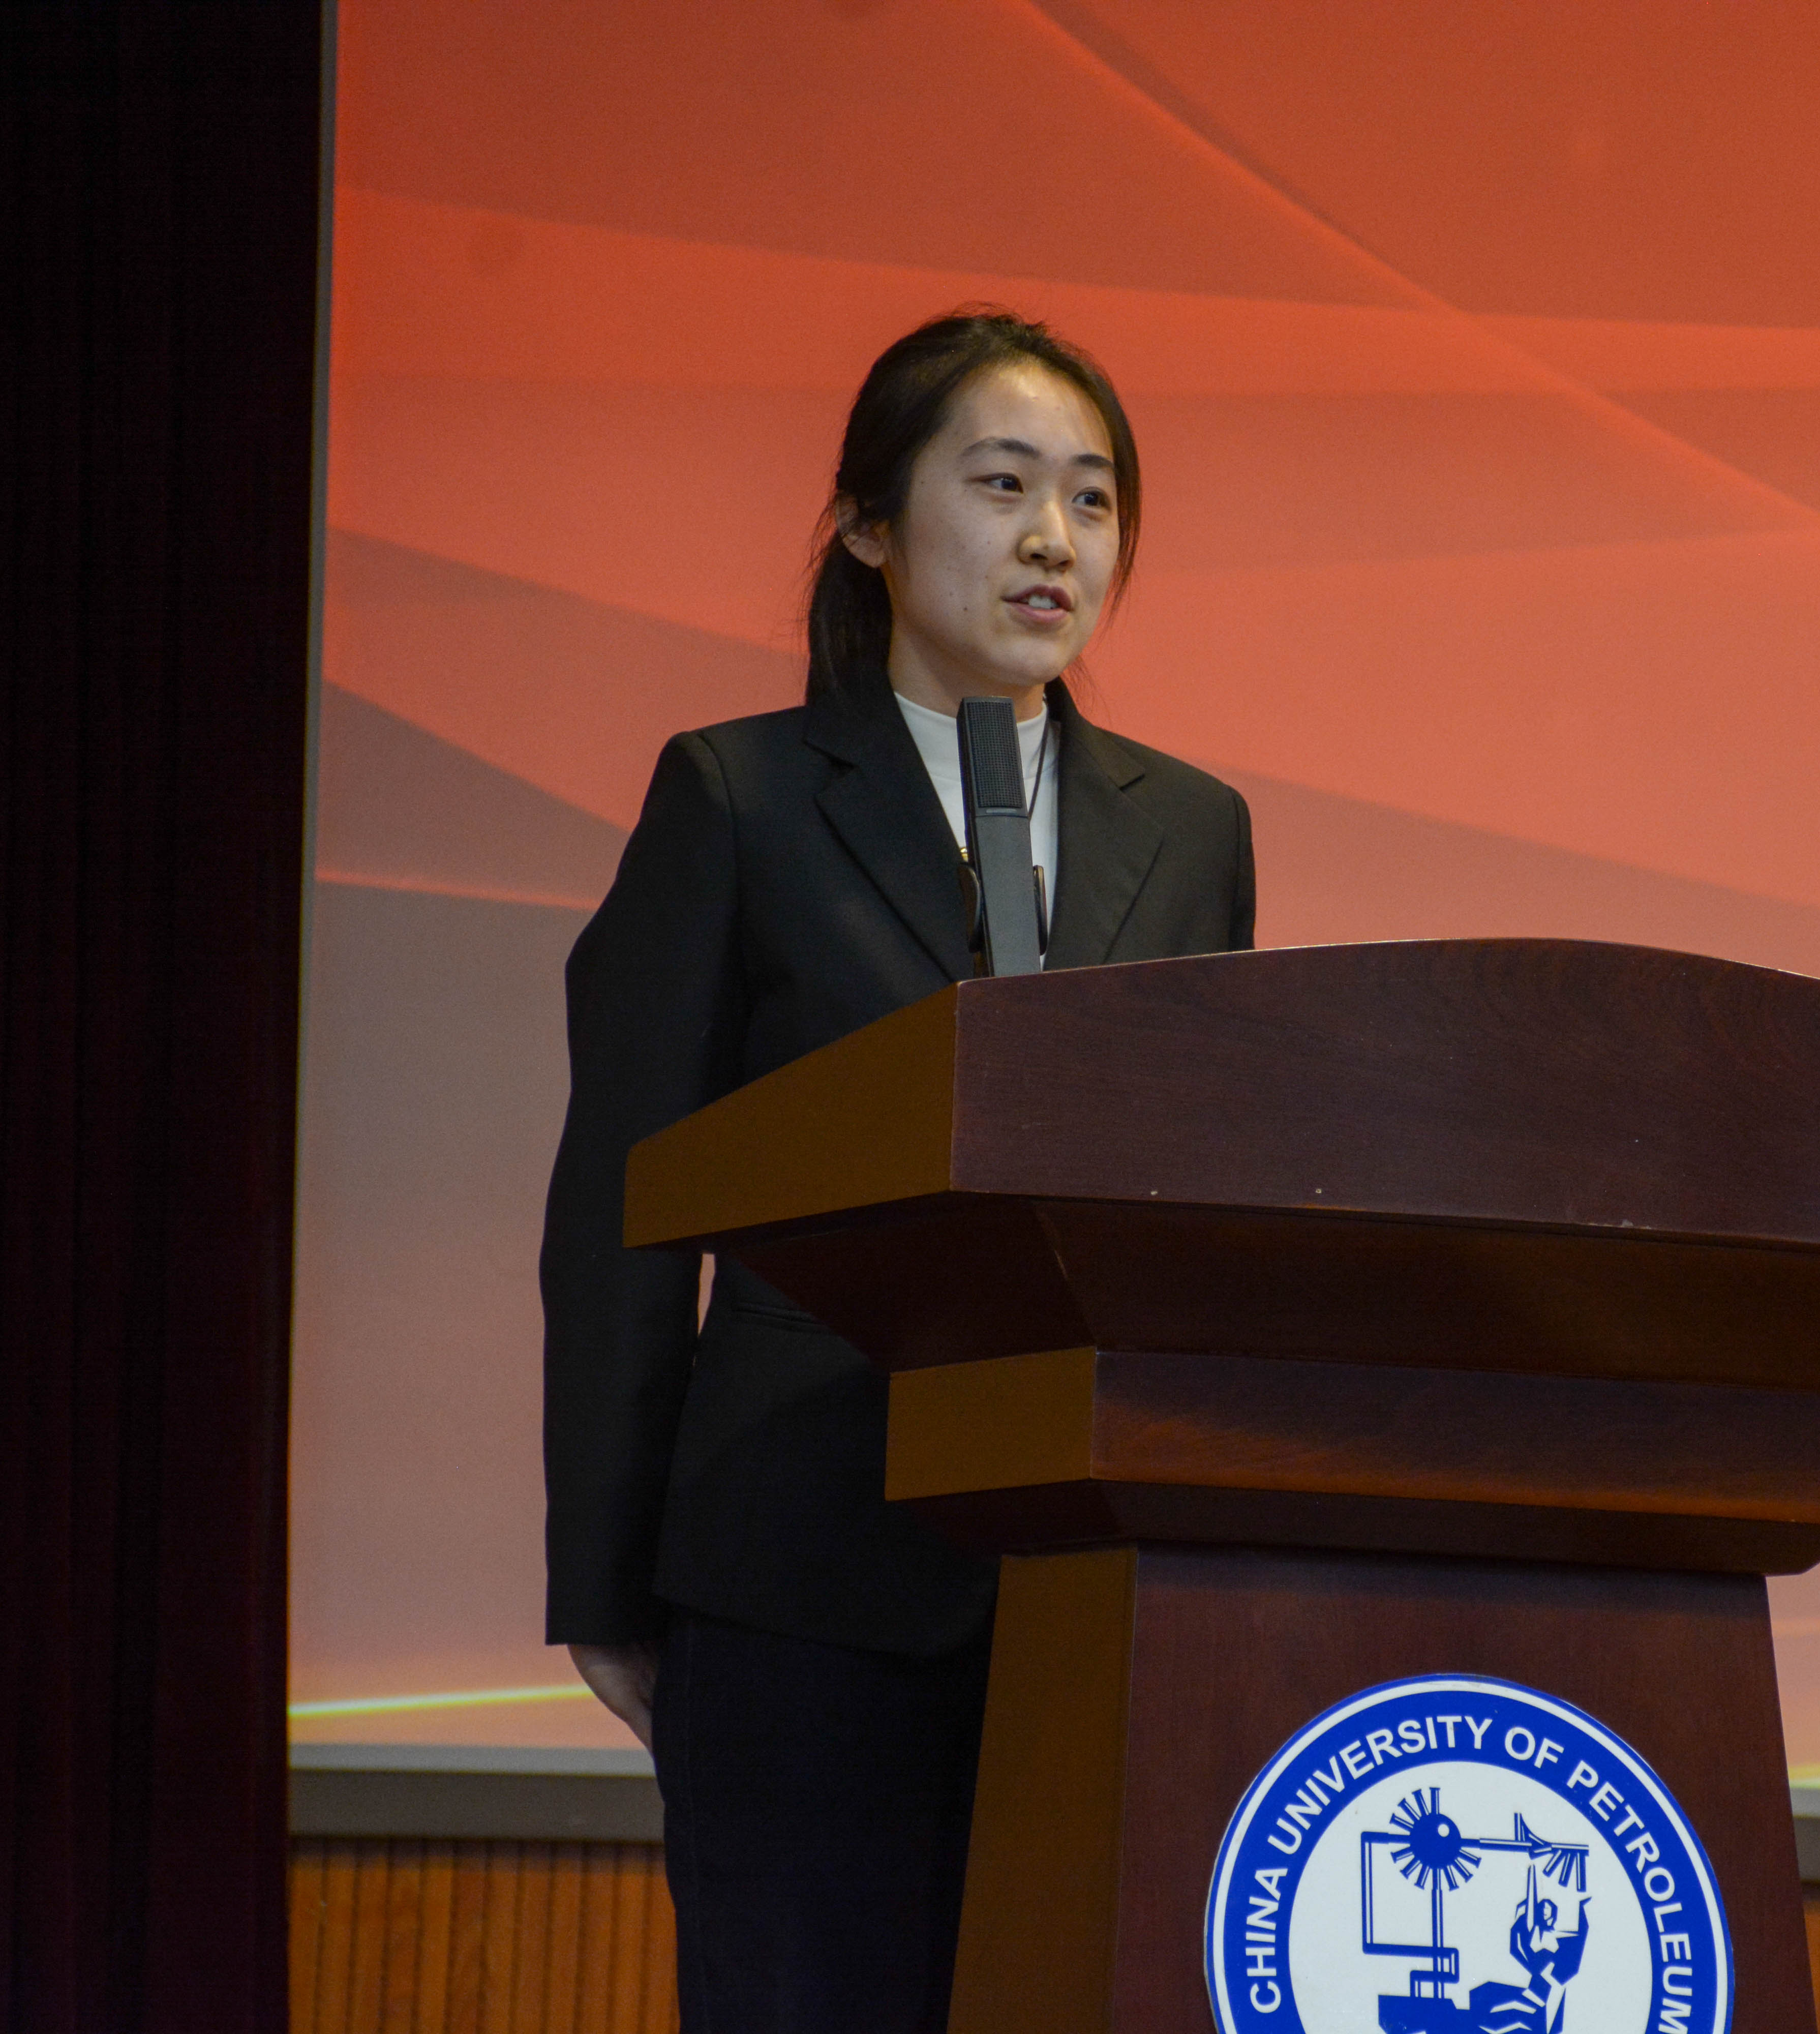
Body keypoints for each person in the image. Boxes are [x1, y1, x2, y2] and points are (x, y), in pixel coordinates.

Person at [538, 308, 1256, 2030]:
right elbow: (622, 1218)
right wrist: (607, 1584)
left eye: (1093, 498)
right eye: (1002, 486)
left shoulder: (1195, 830)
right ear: (870, 523)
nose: (1054, 539)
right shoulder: (741, 799)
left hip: (1094, 1587)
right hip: (799, 1569)